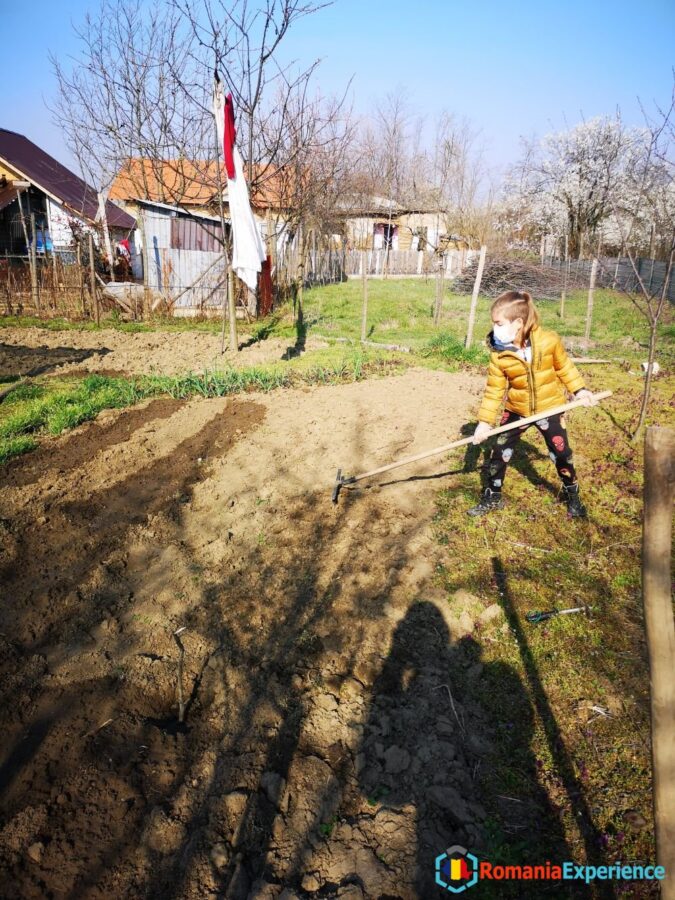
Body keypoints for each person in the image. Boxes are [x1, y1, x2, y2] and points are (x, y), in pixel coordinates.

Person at [469, 290, 597, 518]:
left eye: (498, 323)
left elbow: (564, 367)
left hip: (551, 408)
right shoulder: (499, 354)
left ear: (518, 322)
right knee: (498, 451)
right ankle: (492, 496)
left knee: (561, 454)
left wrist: (580, 390)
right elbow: (495, 389)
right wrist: (485, 422)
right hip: (517, 409)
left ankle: (573, 497)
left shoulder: (549, 341)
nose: (495, 327)